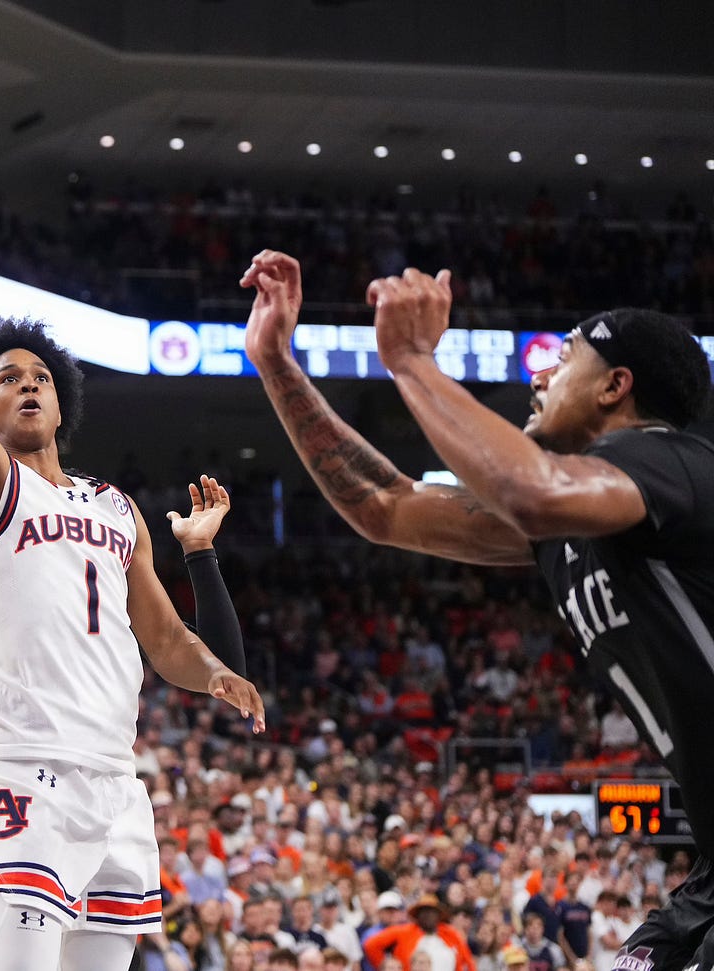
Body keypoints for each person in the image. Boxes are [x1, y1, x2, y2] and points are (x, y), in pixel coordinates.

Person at [241, 250, 714, 971]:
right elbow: (385, 505)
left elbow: (535, 490)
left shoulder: (674, 462)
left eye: (564, 357)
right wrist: (276, 362)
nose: (539, 373)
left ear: (616, 387)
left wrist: (412, 361)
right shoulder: (564, 521)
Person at [0, 277, 261, 962]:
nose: (30, 385)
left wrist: (215, 672)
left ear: (63, 406)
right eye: (8, 377)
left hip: (114, 784)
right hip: (21, 775)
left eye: (41, 377)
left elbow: (167, 638)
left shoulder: (116, 508)